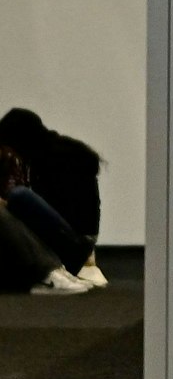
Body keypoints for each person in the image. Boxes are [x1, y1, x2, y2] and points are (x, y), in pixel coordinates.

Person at [0, 108, 107, 286]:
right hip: (78, 237)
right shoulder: (50, 153)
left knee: (19, 197)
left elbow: (58, 209)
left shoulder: (58, 158)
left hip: (75, 243)